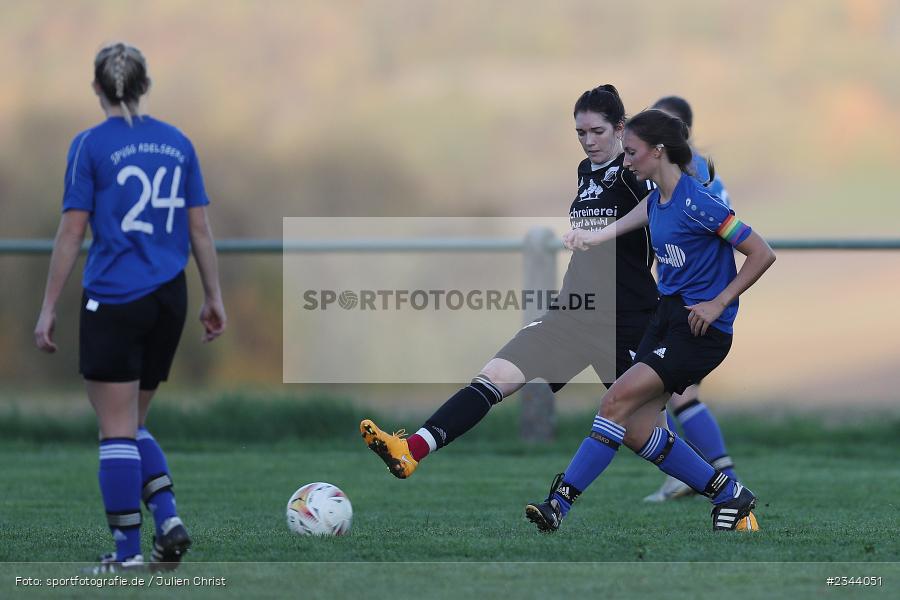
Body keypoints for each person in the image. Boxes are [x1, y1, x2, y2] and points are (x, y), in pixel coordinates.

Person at [524, 108, 775, 532]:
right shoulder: (655, 200)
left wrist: (718, 303)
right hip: (666, 318)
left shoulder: (700, 204)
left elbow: (762, 252)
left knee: (614, 403)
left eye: (632, 152)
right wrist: (590, 237)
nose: (625, 161)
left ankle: (559, 503)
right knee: (639, 430)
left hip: (700, 329)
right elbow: (625, 223)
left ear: (657, 152)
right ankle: (728, 493)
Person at [33, 42, 226, 573]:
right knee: (134, 422)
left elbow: (73, 232)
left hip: (116, 296)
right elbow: (200, 229)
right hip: (169, 296)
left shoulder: (89, 146)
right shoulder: (179, 143)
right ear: (147, 86)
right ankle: (167, 521)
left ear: (97, 88)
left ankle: (126, 555)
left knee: (115, 430)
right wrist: (213, 297)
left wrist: (48, 306)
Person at [643, 95, 739, 502]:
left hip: (694, 301)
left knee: (668, 393)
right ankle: (711, 473)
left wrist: (714, 299)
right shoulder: (695, 171)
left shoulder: (690, 179)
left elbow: (743, 242)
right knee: (673, 393)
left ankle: (710, 477)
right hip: (684, 298)